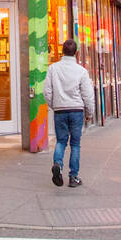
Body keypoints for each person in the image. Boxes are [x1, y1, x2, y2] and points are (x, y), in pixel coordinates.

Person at [44, 37, 95, 188]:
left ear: (62, 51)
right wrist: (89, 112)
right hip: (76, 111)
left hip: (60, 111)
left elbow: (47, 91)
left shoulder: (53, 68)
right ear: (76, 53)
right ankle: (73, 177)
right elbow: (87, 94)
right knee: (75, 144)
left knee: (60, 141)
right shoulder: (81, 71)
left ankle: (58, 165)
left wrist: (54, 105)